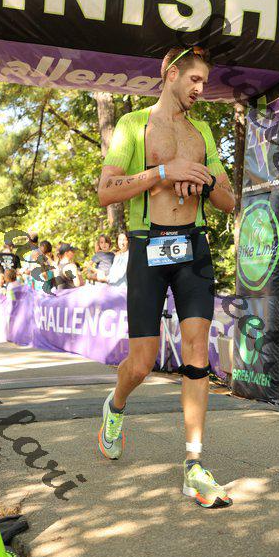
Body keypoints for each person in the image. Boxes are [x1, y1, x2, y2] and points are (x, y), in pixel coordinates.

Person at [97, 46, 235, 508]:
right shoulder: (133, 124)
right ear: (171, 74)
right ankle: (116, 405)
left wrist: (207, 183)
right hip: (147, 244)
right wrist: (162, 172)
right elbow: (105, 191)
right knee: (141, 364)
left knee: (197, 352)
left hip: (193, 246)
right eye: (194, 79)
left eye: (204, 82)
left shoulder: (202, 131)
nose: (200, 89)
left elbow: (229, 201)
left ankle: (194, 464)